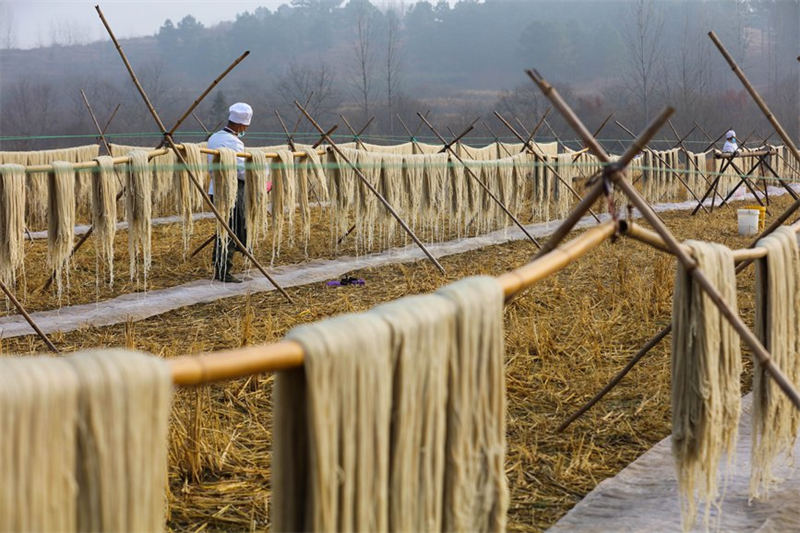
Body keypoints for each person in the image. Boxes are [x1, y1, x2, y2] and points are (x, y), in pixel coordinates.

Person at [207, 102, 253, 283]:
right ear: (241, 125)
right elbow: (240, 170)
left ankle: (222, 264)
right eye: (246, 126)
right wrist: (259, 172)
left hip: (215, 190)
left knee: (224, 229)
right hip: (230, 192)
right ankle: (223, 270)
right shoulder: (234, 142)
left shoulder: (214, 137)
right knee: (230, 231)